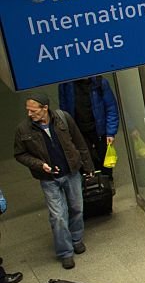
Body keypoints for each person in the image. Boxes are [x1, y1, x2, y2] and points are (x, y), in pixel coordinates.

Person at [14, 92, 96, 269]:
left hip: (71, 172)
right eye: (27, 110)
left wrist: (88, 167)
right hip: (48, 178)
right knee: (58, 216)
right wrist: (39, 164)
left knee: (76, 208)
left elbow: (79, 142)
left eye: (33, 111)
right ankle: (65, 252)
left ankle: (76, 239)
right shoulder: (24, 129)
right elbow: (19, 154)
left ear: (45, 109)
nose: (29, 114)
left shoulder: (63, 119)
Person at [58, 75, 120, 176]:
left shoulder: (100, 82)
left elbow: (111, 108)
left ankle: (107, 180)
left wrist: (110, 132)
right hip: (78, 129)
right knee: (84, 158)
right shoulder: (65, 85)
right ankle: (90, 180)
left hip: (99, 128)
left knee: (103, 156)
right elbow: (63, 109)